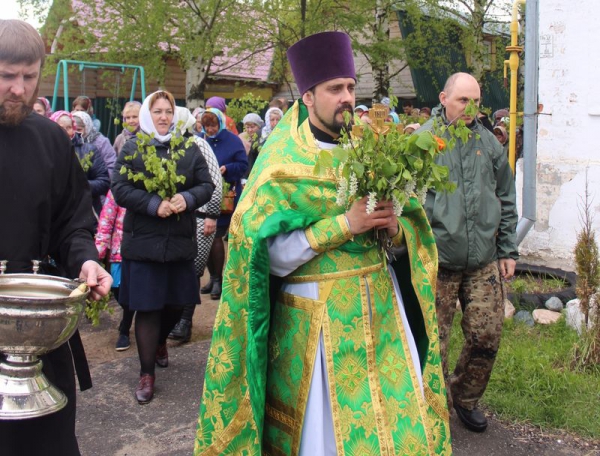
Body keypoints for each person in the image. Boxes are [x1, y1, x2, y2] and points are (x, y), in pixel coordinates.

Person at [194, 31, 451, 455]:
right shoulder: (281, 163)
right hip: (316, 321)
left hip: (383, 315)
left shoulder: (377, 148)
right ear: (308, 97)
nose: (347, 97)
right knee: (324, 439)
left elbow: (412, 229)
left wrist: (394, 231)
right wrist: (343, 225)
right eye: (335, 89)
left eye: (350, 87)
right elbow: (262, 257)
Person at [0, 19, 112, 456]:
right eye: (8, 75)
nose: (19, 89)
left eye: (29, 77)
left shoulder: (51, 138)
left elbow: (73, 223)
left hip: (38, 325)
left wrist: (85, 260)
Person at [421, 72, 518, 433]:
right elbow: (405, 200)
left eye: (476, 102)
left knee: (487, 335)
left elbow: (506, 196)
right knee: (435, 343)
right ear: (444, 98)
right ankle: (432, 410)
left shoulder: (489, 144)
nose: (471, 109)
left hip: (482, 261)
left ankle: (464, 398)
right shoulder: (424, 141)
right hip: (438, 261)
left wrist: (507, 248)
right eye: (463, 100)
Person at [111, 90, 214, 404]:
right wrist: (154, 203)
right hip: (144, 242)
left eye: (168, 111)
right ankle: (146, 374)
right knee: (148, 307)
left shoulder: (188, 148)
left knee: (176, 304)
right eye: (157, 111)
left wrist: (188, 198)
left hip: (179, 241)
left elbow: (206, 184)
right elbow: (119, 187)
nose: (164, 117)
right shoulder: (133, 147)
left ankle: (158, 342)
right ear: (147, 114)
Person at [168, 106, 223, 343]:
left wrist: (211, 215)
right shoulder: (167, 146)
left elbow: (215, 181)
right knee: (177, 271)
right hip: (176, 218)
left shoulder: (199, 145)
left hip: (201, 217)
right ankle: (175, 318)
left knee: (192, 270)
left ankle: (185, 321)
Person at [198, 108, 248, 300]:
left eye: (213, 125)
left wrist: (227, 168)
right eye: (207, 126)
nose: (210, 130)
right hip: (204, 194)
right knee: (206, 235)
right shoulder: (202, 141)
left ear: (220, 123)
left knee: (216, 236)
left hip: (225, 195)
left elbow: (243, 165)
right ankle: (213, 277)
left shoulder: (233, 140)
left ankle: (219, 280)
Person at [95, 190, 134, 350]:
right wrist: (98, 252)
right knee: (119, 293)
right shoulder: (118, 189)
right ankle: (126, 320)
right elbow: (106, 220)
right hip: (119, 252)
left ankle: (124, 329)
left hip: (141, 253)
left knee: (132, 295)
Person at [53, 110, 110, 216]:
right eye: (61, 127)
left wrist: (80, 185)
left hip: (85, 212)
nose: (65, 131)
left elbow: (104, 182)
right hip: (56, 212)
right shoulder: (47, 152)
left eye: (69, 127)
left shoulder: (89, 150)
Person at [72, 107, 117, 176]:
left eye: (79, 129)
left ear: (87, 128)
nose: (76, 133)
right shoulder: (69, 141)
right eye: (73, 129)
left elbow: (111, 165)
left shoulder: (101, 142)